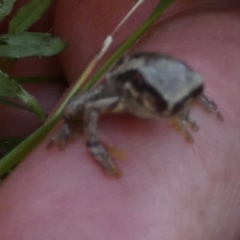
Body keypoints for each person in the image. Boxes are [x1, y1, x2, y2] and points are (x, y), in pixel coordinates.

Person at [0, 0, 239, 239]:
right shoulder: (121, 98)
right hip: (121, 82)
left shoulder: (174, 89)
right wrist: (93, 142)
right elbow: (93, 107)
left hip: (160, 69)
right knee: (74, 108)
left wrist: (184, 106)